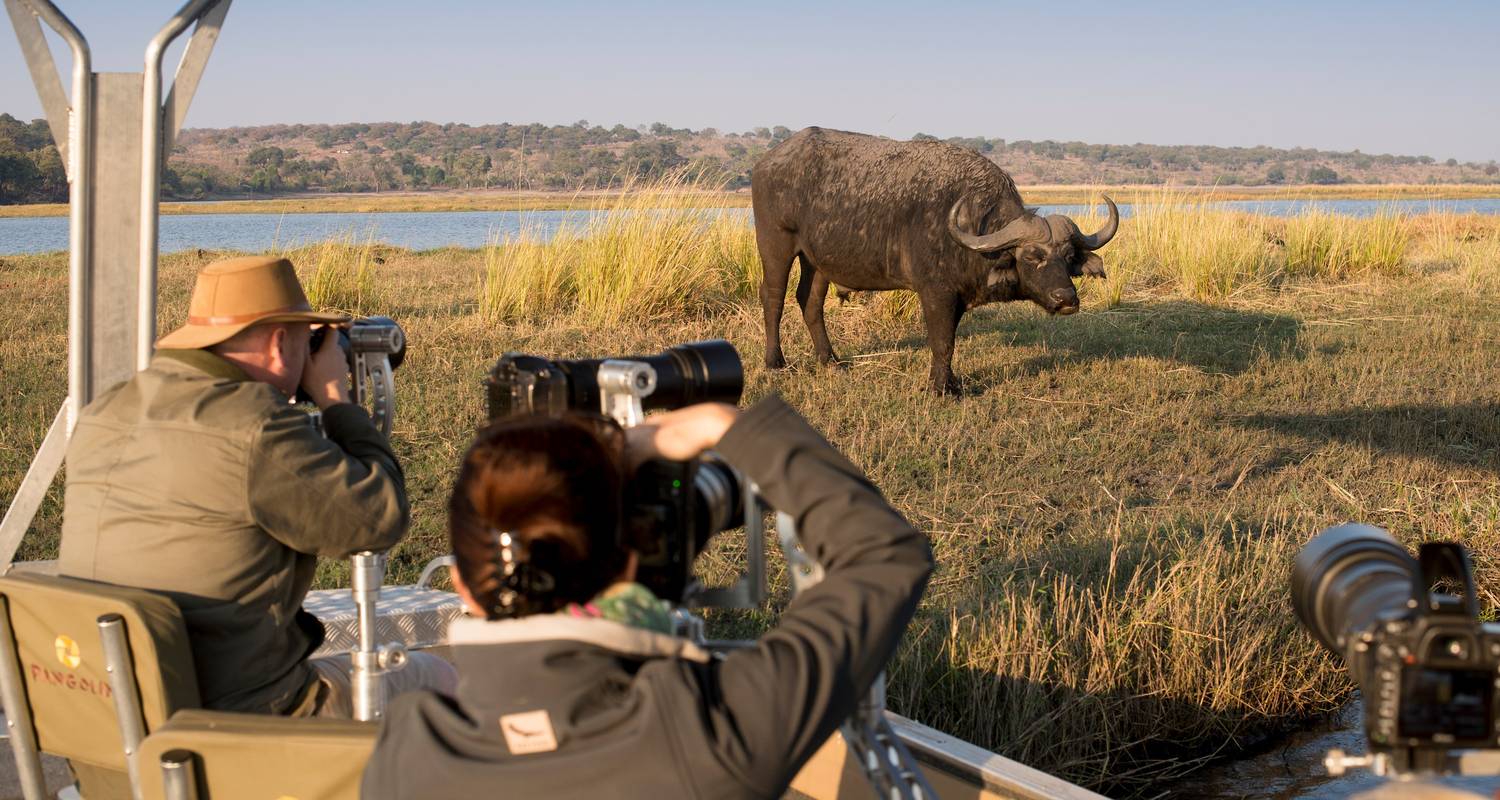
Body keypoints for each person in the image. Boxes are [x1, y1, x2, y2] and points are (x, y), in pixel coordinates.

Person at [361, 396, 934, 798]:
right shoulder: (714, 733)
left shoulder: (405, 752)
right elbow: (884, 556)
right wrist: (719, 424)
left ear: (462, 583)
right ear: (630, 559)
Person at [59, 255, 454, 718]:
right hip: (239, 716)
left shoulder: (106, 410)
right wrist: (335, 400)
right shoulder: (255, 427)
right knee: (442, 678)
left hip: (109, 713)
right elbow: (379, 518)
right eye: (309, 341)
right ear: (279, 341)